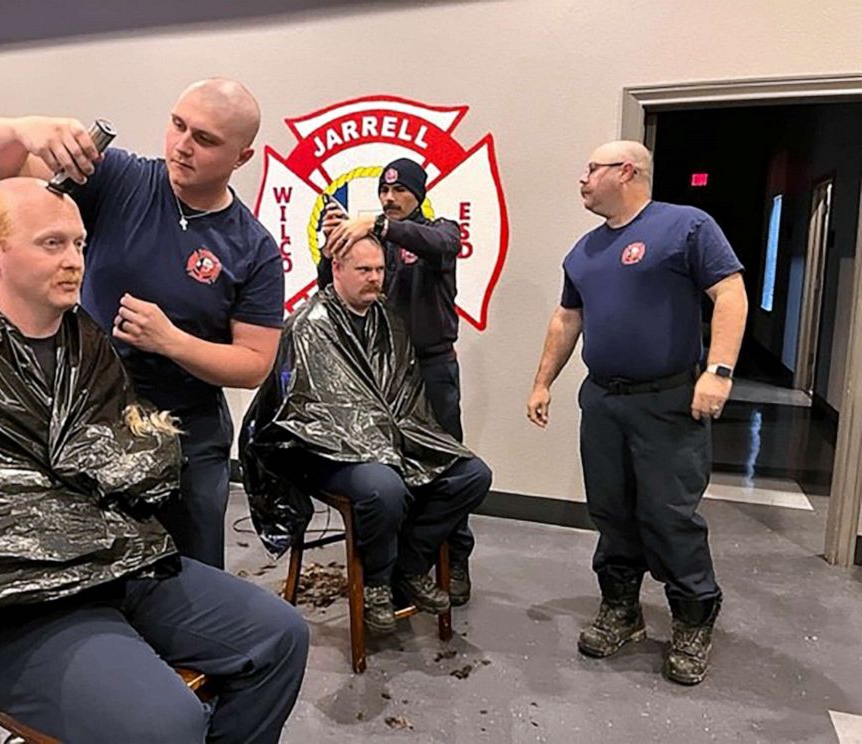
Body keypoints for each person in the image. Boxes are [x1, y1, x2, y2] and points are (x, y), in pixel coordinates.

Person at [0, 179, 308, 742]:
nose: (75, 260)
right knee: (166, 724)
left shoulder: (87, 344)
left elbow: (128, 454)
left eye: (79, 243)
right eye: (52, 243)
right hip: (13, 610)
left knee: (280, 636)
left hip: (118, 566)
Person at [0, 78, 284, 569]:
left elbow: (254, 364)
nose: (182, 146)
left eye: (206, 139)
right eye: (178, 125)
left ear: (242, 157)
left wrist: (171, 341)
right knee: (101, 567)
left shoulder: (253, 248)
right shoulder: (120, 179)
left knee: (190, 571)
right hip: (91, 415)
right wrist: (24, 129)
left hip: (186, 432)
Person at [525, 140, 747, 685]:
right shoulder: (583, 251)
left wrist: (717, 371)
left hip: (668, 400)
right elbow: (566, 319)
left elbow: (731, 293)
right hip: (603, 400)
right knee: (611, 510)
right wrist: (541, 382)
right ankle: (621, 610)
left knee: (668, 514)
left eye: (591, 168)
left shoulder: (686, 226)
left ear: (626, 171)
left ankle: (694, 618)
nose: (582, 178)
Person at [242, 235, 491, 634]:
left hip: (386, 442)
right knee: (384, 487)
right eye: (364, 270)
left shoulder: (388, 322)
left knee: (472, 475)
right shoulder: (310, 326)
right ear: (337, 269)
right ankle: (376, 582)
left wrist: (396, 442)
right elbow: (312, 413)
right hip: (324, 452)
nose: (375, 278)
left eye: (379, 269)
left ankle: (407, 568)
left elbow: (406, 397)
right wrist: (375, 445)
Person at [317, 158, 477, 606]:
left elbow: (440, 242)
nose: (390, 199)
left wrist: (380, 228)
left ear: (418, 194)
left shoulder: (438, 232)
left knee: (448, 466)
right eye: (385, 192)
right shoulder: (375, 241)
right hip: (381, 374)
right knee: (390, 469)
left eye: (400, 191)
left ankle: (456, 558)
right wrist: (331, 248)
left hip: (432, 369)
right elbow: (331, 290)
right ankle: (398, 565)